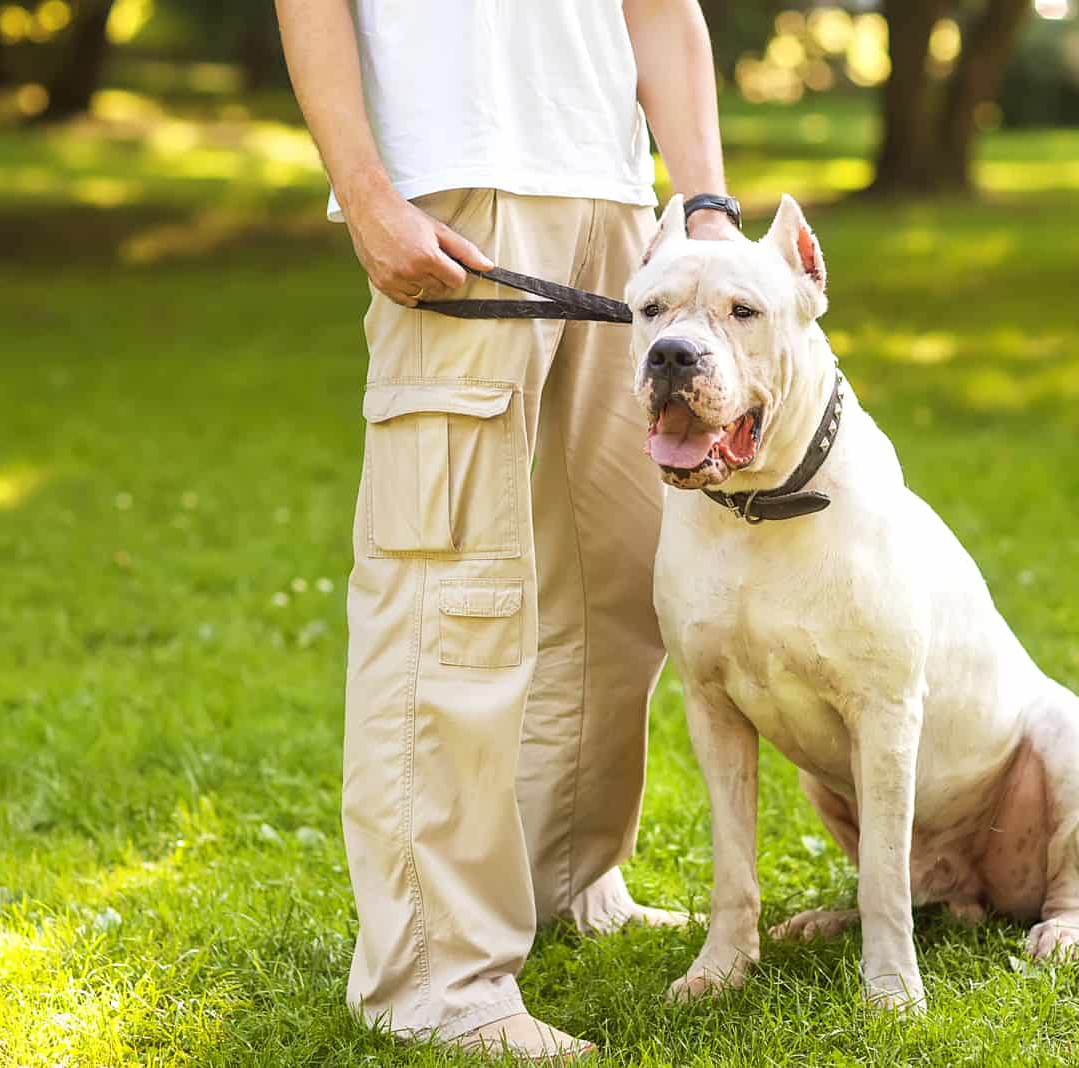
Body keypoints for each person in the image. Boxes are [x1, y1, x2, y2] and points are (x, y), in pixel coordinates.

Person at [275, 1, 736, 1059]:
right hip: (455, 189)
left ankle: (564, 876)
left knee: (621, 579)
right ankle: (434, 979)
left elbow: (660, 8)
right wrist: (366, 192)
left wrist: (702, 201)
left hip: (620, 202)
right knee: (450, 592)